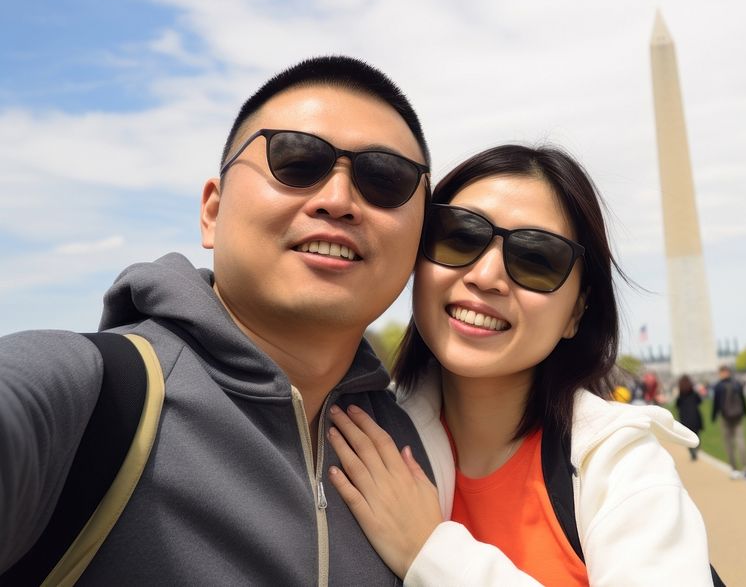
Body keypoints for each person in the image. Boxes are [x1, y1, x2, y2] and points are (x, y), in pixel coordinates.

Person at [0, 56, 434, 584]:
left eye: (385, 180)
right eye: (296, 160)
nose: (338, 201)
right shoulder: (89, 391)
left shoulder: (416, 449)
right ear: (212, 210)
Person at [323, 144, 713, 585]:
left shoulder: (620, 468)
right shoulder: (356, 440)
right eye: (458, 235)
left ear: (576, 314)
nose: (486, 276)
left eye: (537, 259)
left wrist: (430, 552)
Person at [711, 365, 746, 479]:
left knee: (729, 444)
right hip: (738, 415)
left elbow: (716, 403)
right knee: (741, 441)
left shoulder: (718, 386)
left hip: (725, 417)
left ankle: (734, 469)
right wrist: (745, 412)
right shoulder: (737, 384)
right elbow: (742, 399)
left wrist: (714, 416)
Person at [675, 374, 705, 460]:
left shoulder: (680, 396)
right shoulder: (694, 394)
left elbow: (677, 406)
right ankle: (696, 448)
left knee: (688, 436)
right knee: (697, 434)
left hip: (685, 418)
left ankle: (692, 451)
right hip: (694, 416)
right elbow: (699, 401)